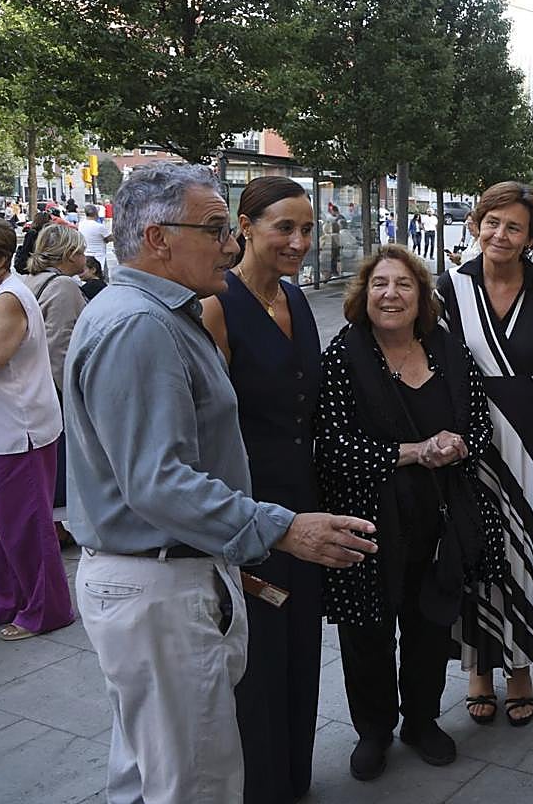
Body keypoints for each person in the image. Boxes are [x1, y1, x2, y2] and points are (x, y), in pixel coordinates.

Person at [63, 162, 378, 803]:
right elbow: (160, 483)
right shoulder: (140, 326)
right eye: (214, 229)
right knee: (193, 780)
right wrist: (282, 527)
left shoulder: (154, 315)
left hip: (170, 571)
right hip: (159, 581)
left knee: (154, 771)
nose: (229, 246)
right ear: (157, 238)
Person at [315, 247, 494, 781]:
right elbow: (332, 445)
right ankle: (373, 731)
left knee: (430, 624)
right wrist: (412, 451)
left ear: (422, 297)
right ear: (363, 294)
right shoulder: (345, 355)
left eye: (403, 285)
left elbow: (480, 424)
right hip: (367, 520)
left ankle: (421, 720)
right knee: (366, 632)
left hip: (438, 517)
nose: (390, 294)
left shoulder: (448, 350)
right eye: (379, 284)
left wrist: (458, 445)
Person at [200, 176, 324, 804]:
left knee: (302, 646)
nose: (299, 240)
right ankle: (262, 787)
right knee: (259, 657)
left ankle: (293, 779)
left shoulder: (297, 301)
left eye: (307, 228)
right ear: (244, 226)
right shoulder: (217, 306)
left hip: (306, 504)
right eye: (285, 227)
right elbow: (209, 426)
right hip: (251, 510)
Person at [436, 181, 533, 728]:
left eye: (513, 227)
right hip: (472, 440)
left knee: (529, 552)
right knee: (476, 549)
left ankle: (520, 669)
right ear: (476, 224)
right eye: (491, 222)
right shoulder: (450, 287)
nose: (500, 234)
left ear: (529, 237)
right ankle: (478, 670)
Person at [0, 215, 76, 642]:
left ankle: (48, 608)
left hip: (17, 432)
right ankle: (3, 598)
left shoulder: (7, 299)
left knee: (24, 526)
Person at [21, 224, 88, 519]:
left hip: (29, 385)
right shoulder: (64, 286)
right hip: (54, 389)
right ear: (70, 254)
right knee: (61, 459)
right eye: (82, 251)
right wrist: (75, 395)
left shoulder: (29, 280)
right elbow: (60, 344)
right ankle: (59, 521)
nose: (85, 256)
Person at [78, 204, 113, 281]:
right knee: (101, 278)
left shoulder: (81, 224)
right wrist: (106, 240)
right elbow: (110, 238)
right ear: (96, 213)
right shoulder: (99, 226)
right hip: (99, 255)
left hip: (86, 254)